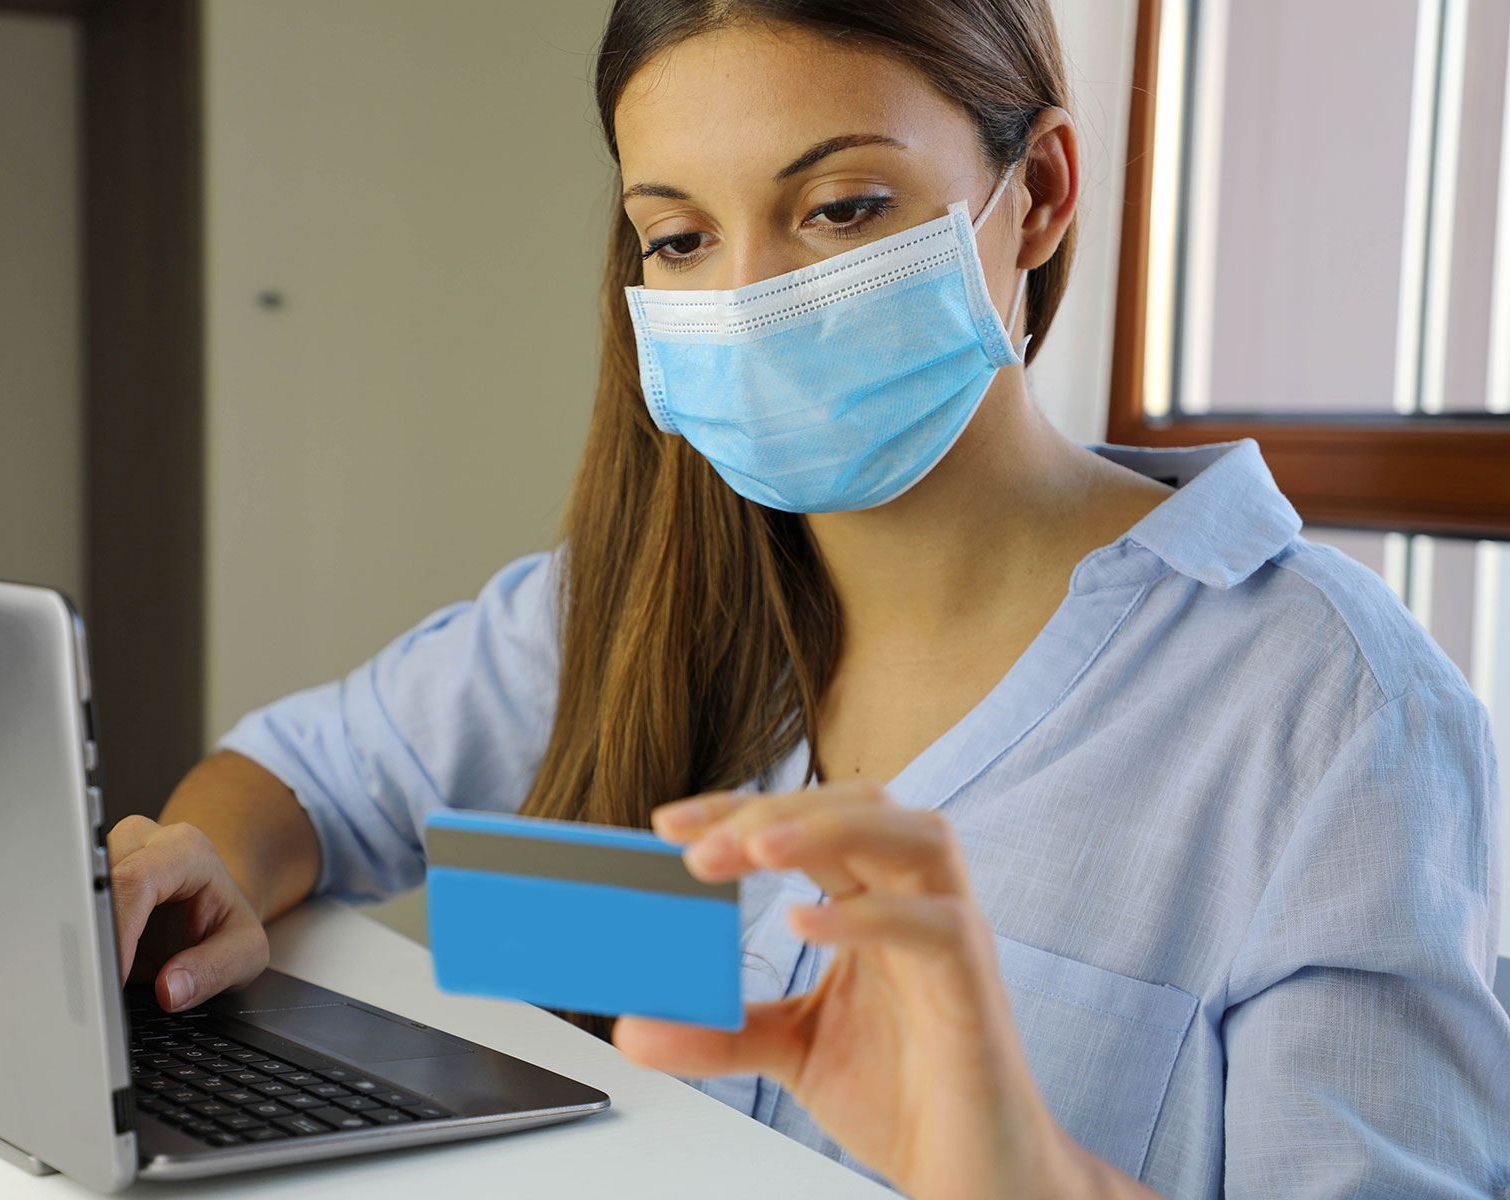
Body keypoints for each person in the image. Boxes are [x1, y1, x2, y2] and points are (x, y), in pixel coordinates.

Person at [105, 1, 1510, 1196]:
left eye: (840, 209)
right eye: (678, 238)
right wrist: (202, 865)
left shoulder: (1333, 719)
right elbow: (298, 780)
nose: (750, 301)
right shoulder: (627, 603)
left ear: (1042, 194)